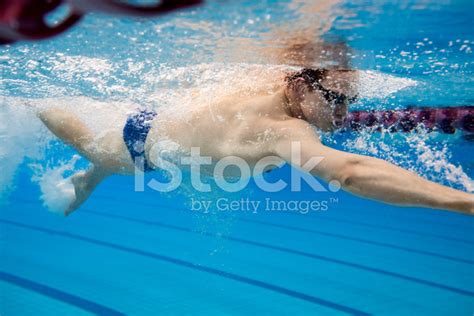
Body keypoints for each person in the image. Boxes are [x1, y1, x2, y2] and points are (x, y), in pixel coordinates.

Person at [35, 67, 474, 216]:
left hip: (160, 127)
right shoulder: (287, 130)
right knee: (86, 142)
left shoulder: (272, 81)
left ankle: (91, 176)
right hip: (141, 148)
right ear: (300, 89)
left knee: (105, 162)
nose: (342, 116)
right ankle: (32, 99)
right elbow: (349, 172)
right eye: (337, 101)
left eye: (350, 102)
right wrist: (465, 202)